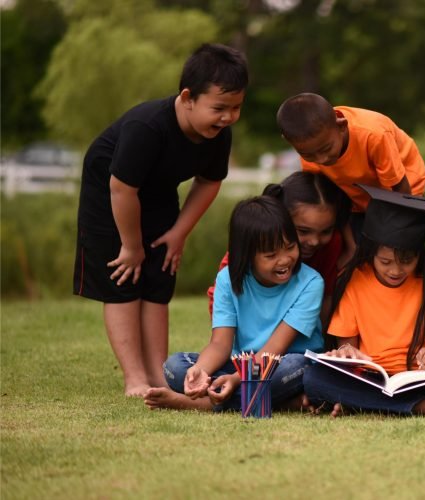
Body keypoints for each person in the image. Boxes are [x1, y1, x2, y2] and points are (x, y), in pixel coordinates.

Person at [73, 43, 249, 397]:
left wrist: (178, 233)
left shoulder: (219, 134)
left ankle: (158, 374)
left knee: (158, 278)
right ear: (188, 98)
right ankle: (134, 377)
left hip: (158, 193)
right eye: (219, 108)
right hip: (111, 195)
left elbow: (209, 182)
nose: (227, 117)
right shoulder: (148, 126)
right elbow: (122, 189)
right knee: (124, 278)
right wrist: (132, 246)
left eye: (236, 108)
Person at [303, 185, 425, 417]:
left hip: (420, 377)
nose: (395, 270)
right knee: (314, 379)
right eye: (385, 261)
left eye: (406, 261)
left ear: (418, 255)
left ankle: (362, 405)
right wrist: (345, 353)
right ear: (371, 252)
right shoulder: (354, 279)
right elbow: (347, 346)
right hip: (371, 378)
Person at [144, 196, 324, 412]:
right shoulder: (227, 279)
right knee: (176, 366)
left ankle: (202, 404)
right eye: (271, 254)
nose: (285, 259)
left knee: (297, 367)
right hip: (240, 366)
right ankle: (279, 402)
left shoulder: (311, 283)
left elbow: (274, 350)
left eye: (290, 247)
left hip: (280, 365)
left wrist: (236, 380)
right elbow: (220, 345)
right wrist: (200, 371)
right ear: (247, 256)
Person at [276, 93, 425, 266]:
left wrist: (398, 234)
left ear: (341, 126)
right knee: (359, 255)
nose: (321, 160)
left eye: (327, 149)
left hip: (402, 189)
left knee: (391, 253)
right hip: (357, 193)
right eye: (308, 155)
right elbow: (333, 201)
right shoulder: (311, 148)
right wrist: (351, 247)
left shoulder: (373, 135)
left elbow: (400, 189)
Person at [207, 171, 351, 326]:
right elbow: (222, 297)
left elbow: (327, 297)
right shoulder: (253, 245)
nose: (314, 241)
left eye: (325, 231)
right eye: (303, 231)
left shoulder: (331, 245)